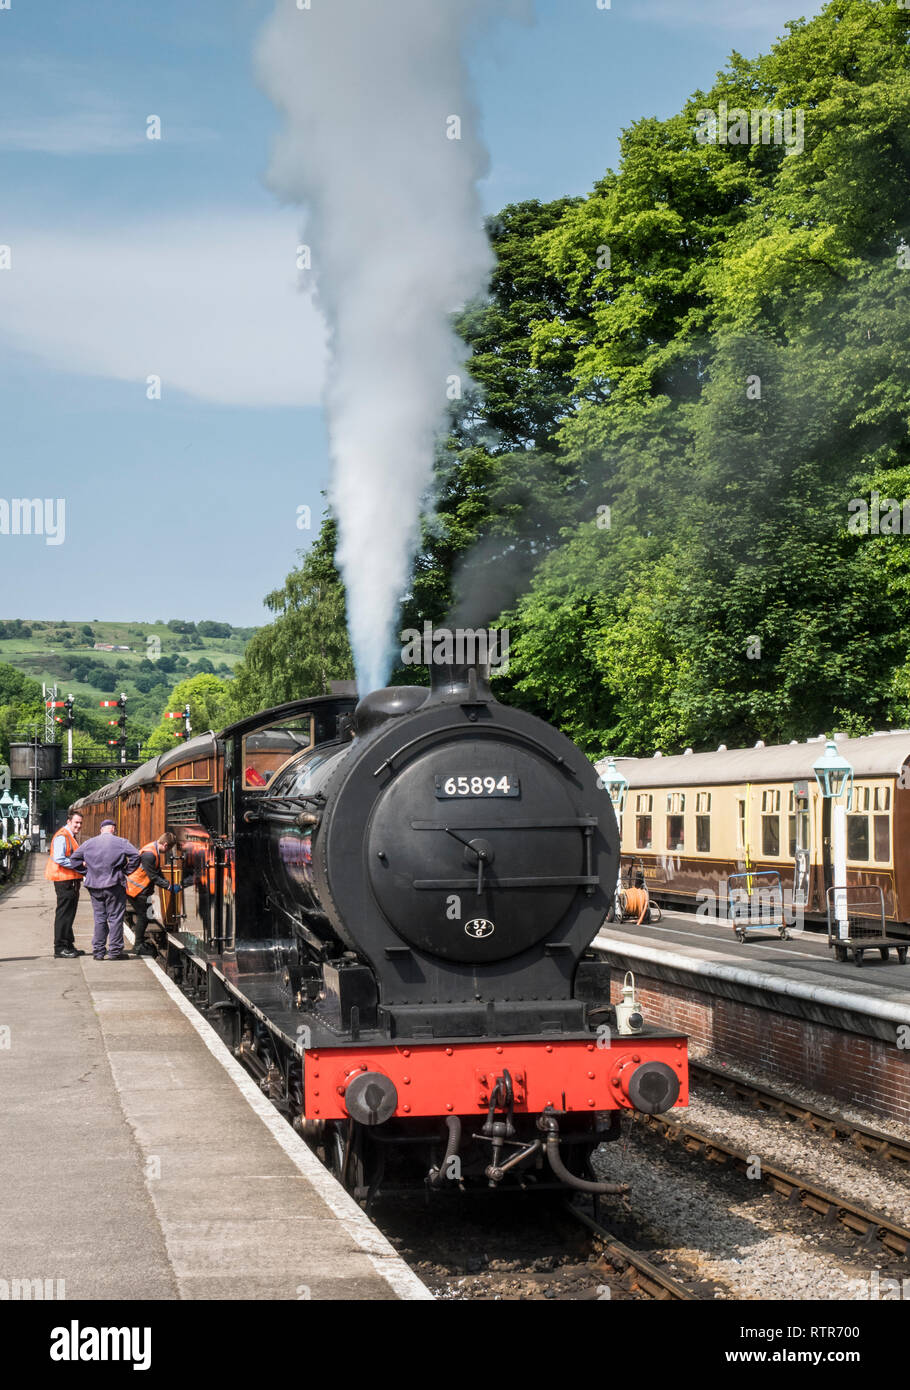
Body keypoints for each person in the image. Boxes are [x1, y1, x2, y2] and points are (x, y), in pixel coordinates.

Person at [65, 819, 141, 961]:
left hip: (94, 886)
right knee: (115, 918)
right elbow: (136, 856)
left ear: (101, 830)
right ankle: (115, 951)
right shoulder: (121, 842)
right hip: (114, 885)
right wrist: (126, 871)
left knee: (99, 918)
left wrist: (86, 872)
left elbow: (74, 859)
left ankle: (98, 952)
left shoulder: (89, 843)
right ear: (114, 829)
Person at [125, 831, 185, 956]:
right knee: (144, 916)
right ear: (165, 844)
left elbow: (157, 871)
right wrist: (168, 886)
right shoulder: (149, 854)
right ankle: (138, 945)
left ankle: (139, 942)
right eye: (169, 849)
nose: (168, 851)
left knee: (147, 914)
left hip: (140, 889)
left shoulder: (153, 850)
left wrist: (166, 882)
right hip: (136, 889)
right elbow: (153, 876)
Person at [45, 808, 85, 958]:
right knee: (64, 915)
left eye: (80, 823)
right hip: (64, 881)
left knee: (69, 914)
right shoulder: (62, 836)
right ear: (69, 821)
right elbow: (59, 858)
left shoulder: (70, 835)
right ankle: (60, 948)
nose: (78, 825)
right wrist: (79, 864)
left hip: (70, 880)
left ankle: (68, 945)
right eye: (76, 822)